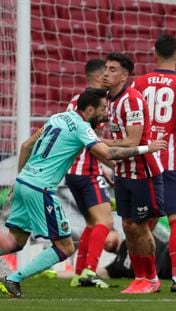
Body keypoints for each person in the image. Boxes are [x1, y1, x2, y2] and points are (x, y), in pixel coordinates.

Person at [0, 89, 167, 298]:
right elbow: (109, 153)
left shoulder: (57, 117)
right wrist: (146, 148)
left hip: (24, 182)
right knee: (65, 248)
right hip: (40, 189)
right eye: (103, 109)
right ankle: (12, 280)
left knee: (15, 241)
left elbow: (26, 146)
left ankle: (12, 280)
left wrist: (19, 179)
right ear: (89, 110)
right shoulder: (81, 127)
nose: (105, 114)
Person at [132, 34, 176, 292]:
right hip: (169, 162)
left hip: (143, 159)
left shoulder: (138, 83)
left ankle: (144, 276)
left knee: (141, 223)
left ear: (154, 53)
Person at [102, 52, 165, 294]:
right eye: (106, 68)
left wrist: (97, 143)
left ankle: (152, 278)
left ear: (125, 75)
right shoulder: (109, 99)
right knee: (127, 225)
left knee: (141, 227)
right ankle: (139, 277)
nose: (106, 73)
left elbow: (132, 141)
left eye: (113, 69)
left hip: (142, 171)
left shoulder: (133, 100)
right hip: (123, 171)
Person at [65, 59, 114, 289]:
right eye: (105, 73)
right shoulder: (93, 105)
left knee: (92, 222)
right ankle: (90, 272)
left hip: (74, 172)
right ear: (96, 77)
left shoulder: (77, 101)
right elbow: (91, 142)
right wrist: (109, 164)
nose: (107, 77)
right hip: (86, 171)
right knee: (105, 221)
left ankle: (78, 273)